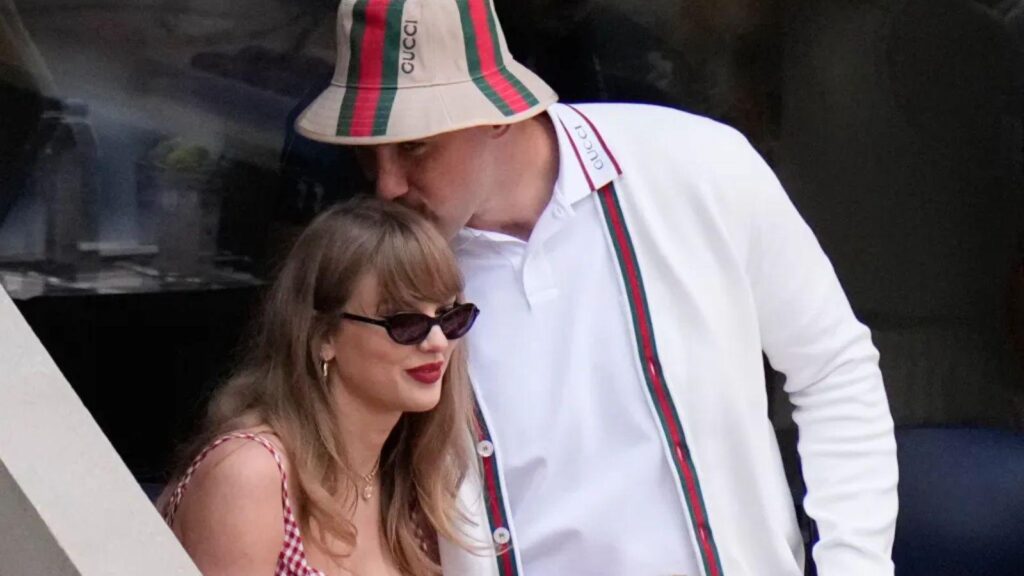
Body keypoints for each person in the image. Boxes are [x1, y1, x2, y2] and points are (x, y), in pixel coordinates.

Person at [295, 1, 899, 575]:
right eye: (368, 159)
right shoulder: (381, 271)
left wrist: (853, 564)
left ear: (500, 113)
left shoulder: (696, 164)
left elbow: (834, 370)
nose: (388, 185)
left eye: (415, 147)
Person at [158, 197, 483, 576]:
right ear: (323, 335)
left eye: (449, 316)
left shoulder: (416, 478)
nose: (437, 342)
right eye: (404, 322)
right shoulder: (251, 475)